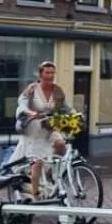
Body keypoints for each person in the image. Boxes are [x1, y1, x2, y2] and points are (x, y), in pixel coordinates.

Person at [15, 62, 66, 198]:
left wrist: (77, 113)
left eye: (52, 73)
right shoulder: (31, 89)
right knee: (37, 161)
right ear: (40, 74)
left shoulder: (58, 91)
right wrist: (29, 112)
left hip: (49, 127)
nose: (50, 76)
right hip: (34, 129)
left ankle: (52, 172)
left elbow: (66, 107)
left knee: (61, 144)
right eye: (47, 73)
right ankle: (35, 192)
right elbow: (21, 104)